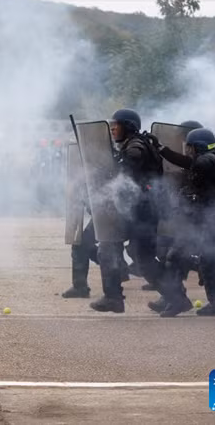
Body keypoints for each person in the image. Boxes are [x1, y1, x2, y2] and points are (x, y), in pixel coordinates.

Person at [151, 128, 215, 316]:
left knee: (174, 257)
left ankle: (177, 301)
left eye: (190, 147)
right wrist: (161, 148)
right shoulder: (214, 157)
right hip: (214, 220)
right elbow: (189, 163)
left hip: (203, 221)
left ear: (197, 146)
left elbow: (194, 190)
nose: (188, 151)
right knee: (209, 262)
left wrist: (180, 199)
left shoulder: (205, 162)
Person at [89, 109, 164, 313]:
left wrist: (115, 166)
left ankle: (175, 296)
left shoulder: (136, 145)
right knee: (109, 248)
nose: (112, 128)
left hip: (142, 211)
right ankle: (113, 297)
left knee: (143, 259)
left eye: (117, 124)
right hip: (138, 210)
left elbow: (130, 166)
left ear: (128, 126)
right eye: (111, 124)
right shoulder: (132, 143)